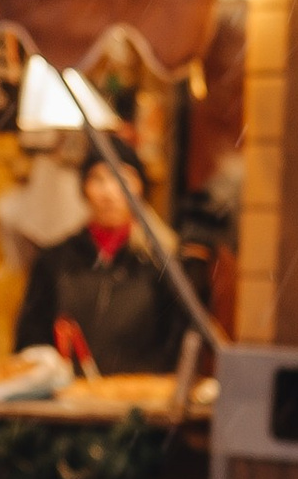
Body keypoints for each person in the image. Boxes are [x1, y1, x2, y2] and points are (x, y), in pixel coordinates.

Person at [12, 138, 196, 374]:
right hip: (66, 403)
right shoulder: (54, 261)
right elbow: (29, 344)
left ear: (140, 188)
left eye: (122, 179)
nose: (109, 192)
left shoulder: (161, 263)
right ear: (84, 188)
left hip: (139, 402)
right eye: (98, 179)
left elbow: (177, 347)